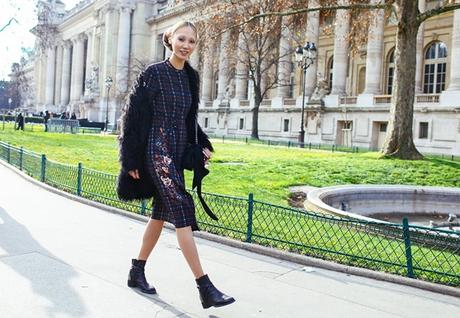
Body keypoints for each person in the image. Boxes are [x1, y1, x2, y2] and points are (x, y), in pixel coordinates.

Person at [117, 21, 235, 309]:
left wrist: (203, 144)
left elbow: (189, 118)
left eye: (192, 41)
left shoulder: (191, 78)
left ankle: (136, 271)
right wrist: (130, 157)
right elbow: (132, 116)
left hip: (178, 149)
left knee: (159, 214)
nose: (186, 45)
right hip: (156, 150)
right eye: (181, 39)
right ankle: (204, 286)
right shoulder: (153, 73)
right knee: (182, 206)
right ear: (169, 39)